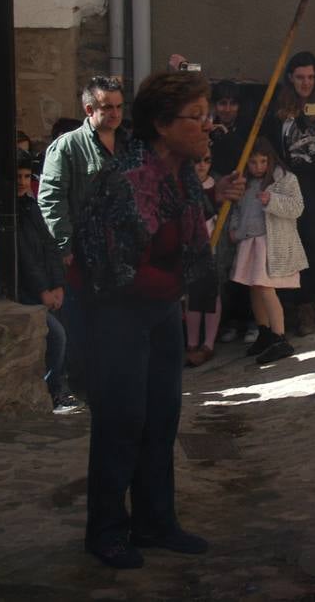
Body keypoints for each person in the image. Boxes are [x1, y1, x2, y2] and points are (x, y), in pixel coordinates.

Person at [73, 70, 246, 569]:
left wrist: (218, 196)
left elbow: (180, 219)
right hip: (118, 316)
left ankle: (154, 522)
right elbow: (113, 267)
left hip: (160, 311)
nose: (206, 126)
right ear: (162, 125)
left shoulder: (180, 173)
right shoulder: (126, 177)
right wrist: (173, 286)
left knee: (161, 417)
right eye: (195, 118)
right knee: (121, 421)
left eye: (205, 115)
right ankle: (106, 531)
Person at [39, 74, 128, 395]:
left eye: (119, 106)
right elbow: (51, 199)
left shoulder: (129, 144)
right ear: (90, 109)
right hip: (85, 256)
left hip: (124, 255)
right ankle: (83, 388)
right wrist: (64, 245)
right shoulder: (67, 147)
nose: (116, 114)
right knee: (85, 326)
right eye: (108, 107)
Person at [262, 52, 315, 332]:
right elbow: (267, 144)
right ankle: (303, 307)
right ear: (290, 78)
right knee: (294, 250)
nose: (306, 83)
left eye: (311, 77)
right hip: (290, 187)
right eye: (300, 77)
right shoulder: (278, 107)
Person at [229, 138, 307, 363]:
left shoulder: (284, 180)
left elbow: (296, 207)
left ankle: (280, 337)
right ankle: (264, 332)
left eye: (263, 161)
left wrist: (272, 199)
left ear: (271, 159)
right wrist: (234, 228)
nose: (259, 167)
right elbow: (236, 207)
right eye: (253, 162)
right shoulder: (243, 184)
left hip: (270, 242)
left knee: (265, 287)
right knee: (254, 287)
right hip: (249, 240)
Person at [16, 150, 82, 413]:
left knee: (70, 330)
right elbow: (24, 258)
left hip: (48, 287)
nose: (22, 182)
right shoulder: (12, 215)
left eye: (25, 176)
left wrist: (58, 285)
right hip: (29, 291)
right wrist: (43, 290)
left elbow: (48, 245)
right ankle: (55, 390)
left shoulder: (30, 206)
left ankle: (67, 385)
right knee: (57, 336)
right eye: (17, 177)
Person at [184, 152, 221, 368]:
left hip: (212, 247)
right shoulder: (183, 185)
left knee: (212, 295)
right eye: (197, 160)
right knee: (192, 296)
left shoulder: (216, 185)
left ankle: (208, 344)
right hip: (189, 249)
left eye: (207, 160)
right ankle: (192, 343)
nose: (202, 165)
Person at [208, 81, 250, 178]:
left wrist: (228, 136)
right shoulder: (208, 127)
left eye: (233, 104)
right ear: (214, 106)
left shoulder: (249, 128)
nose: (227, 109)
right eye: (223, 103)